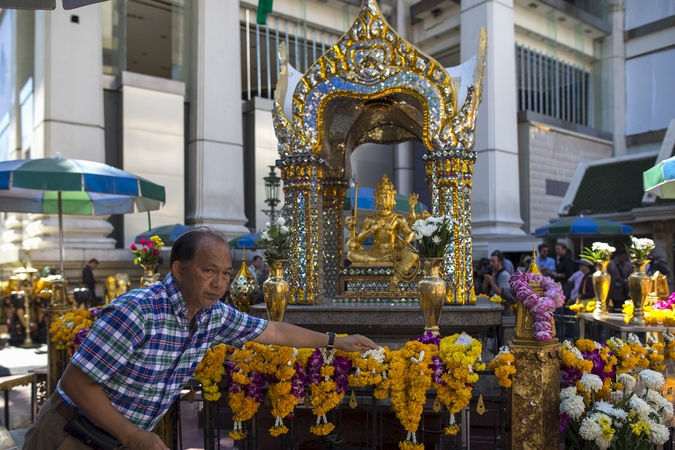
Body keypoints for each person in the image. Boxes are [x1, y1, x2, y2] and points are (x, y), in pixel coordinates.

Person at [23, 228, 378, 450]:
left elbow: (274, 330)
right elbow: (77, 381)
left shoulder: (213, 315)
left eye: (225, 273)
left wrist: (335, 340)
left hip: (120, 438)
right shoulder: (138, 310)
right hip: (69, 434)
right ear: (179, 269)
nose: (220, 283)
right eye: (208, 270)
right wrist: (136, 437)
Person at [344, 174, 420, 291]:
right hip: (375, 253)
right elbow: (357, 243)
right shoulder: (371, 218)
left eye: (385, 198)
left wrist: (403, 243)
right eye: (380, 198)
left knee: (413, 254)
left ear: (391, 199)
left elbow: (411, 233)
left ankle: (394, 281)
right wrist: (371, 230)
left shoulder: (397, 218)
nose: (382, 201)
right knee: (351, 254)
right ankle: (383, 262)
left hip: (393, 252)